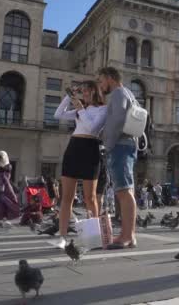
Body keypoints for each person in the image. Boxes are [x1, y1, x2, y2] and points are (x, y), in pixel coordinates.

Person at [54, 80, 107, 248]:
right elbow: (58, 114)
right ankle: (62, 236)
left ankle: (94, 237)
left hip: (90, 149)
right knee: (66, 197)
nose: (84, 94)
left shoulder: (103, 109)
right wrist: (69, 97)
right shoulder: (80, 110)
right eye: (82, 91)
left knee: (90, 198)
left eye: (87, 91)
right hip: (74, 147)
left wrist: (80, 109)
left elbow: (93, 129)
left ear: (95, 92)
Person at [97, 67, 140, 249]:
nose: (100, 85)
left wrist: (107, 144)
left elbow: (117, 121)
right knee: (126, 190)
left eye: (101, 81)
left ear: (109, 78)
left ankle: (126, 236)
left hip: (120, 145)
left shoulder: (117, 94)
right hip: (127, 144)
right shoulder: (129, 93)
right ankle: (130, 235)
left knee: (124, 190)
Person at [0, 151, 20, 224]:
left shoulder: (8, 166)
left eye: (0, 157)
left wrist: (0, 177)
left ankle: (3, 218)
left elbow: (7, 177)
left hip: (4, 188)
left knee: (4, 201)